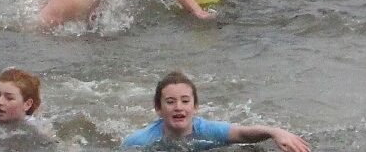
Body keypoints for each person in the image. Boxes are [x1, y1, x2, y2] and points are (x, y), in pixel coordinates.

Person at [123, 72, 310, 150]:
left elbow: (243, 134)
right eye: (170, 102)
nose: (178, 107)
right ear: (159, 109)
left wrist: (275, 132)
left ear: (195, 107)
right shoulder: (140, 141)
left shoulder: (206, 130)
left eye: (185, 101)